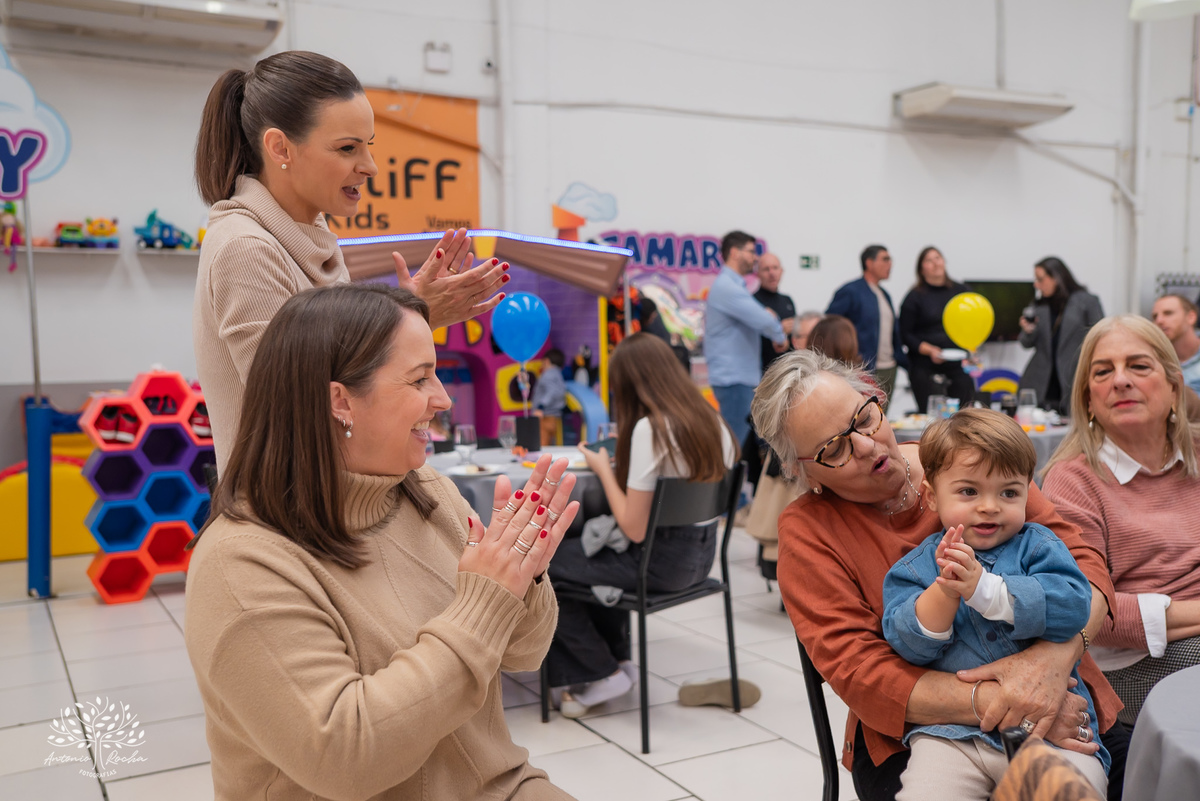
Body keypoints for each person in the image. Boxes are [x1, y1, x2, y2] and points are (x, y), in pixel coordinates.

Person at [185, 283, 582, 800]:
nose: (442, 399)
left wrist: (519, 581)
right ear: (340, 401)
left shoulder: (427, 492)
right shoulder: (240, 563)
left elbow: (526, 652)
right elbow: (345, 758)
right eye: (420, 379)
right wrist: (482, 606)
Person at [750, 349, 1126, 801]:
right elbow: (864, 673)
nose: (867, 445)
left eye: (864, 418)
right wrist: (1006, 701)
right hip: (924, 730)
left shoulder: (966, 458)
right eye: (834, 448)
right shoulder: (809, 531)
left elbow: (1085, 569)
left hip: (1059, 695)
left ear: (876, 398)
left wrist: (1049, 664)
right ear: (802, 471)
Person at [193, 50, 509, 471]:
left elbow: (340, 372)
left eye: (369, 147)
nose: (371, 167)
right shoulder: (246, 248)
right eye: (347, 148)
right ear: (280, 147)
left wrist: (410, 318)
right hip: (290, 518)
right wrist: (407, 322)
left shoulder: (313, 241)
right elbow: (308, 408)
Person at [883, 409, 1109, 799]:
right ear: (933, 496)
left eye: (1008, 492)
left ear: (1028, 490)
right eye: (969, 491)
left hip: (1049, 729)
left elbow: (1074, 606)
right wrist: (946, 592)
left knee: (1071, 791)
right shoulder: (915, 569)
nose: (990, 506)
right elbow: (908, 644)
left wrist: (988, 592)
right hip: (952, 738)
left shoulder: (1040, 546)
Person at [547, 333, 740, 717]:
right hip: (701, 562)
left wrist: (603, 468)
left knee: (544, 564)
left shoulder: (650, 430)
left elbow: (634, 530)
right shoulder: (713, 420)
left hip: (658, 564)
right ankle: (619, 662)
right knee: (594, 557)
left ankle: (601, 670)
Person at [1042, 315, 1200, 726]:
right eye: (1103, 371)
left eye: (1139, 366)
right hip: (1133, 661)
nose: (1121, 380)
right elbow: (1086, 609)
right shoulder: (1072, 482)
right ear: (1088, 399)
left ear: (1173, 386)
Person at [703, 230, 786, 444]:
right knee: (733, 446)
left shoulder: (732, 286)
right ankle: (725, 479)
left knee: (736, 443)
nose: (755, 257)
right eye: (751, 251)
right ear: (734, 253)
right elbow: (764, 321)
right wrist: (779, 334)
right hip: (734, 379)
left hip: (737, 379)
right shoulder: (727, 287)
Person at [1018, 257, 1104, 415]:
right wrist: (1028, 330)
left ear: (1056, 277)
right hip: (1041, 379)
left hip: (1073, 375)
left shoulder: (1086, 302)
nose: (1036, 285)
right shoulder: (1038, 305)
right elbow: (1026, 343)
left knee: (1074, 425)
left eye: (1040, 279)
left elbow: (1100, 337)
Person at [826, 244, 907, 403]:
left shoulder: (884, 294)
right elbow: (830, 325)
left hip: (888, 368)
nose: (890, 264)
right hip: (864, 369)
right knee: (866, 418)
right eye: (885, 259)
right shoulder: (851, 291)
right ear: (869, 263)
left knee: (882, 419)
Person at [899, 246, 975, 413]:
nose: (935, 263)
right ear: (921, 269)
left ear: (944, 262)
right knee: (931, 416)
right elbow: (905, 334)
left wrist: (972, 348)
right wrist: (930, 351)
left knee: (965, 412)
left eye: (937, 258)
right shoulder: (914, 297)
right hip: (924, 364)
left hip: (957, 363)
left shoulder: (961, 291)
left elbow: (973, 323)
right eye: (928, 260)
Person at [754, 252, 797, 371]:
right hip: (763, 371)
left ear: (781, 271)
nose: (772, 273)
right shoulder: (753, 302)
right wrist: (778, 329)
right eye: (766, 269)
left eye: (775, 268)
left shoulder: (787, 300)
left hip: (787, 370)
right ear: (757, 274)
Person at [1150, 293, 1200, 393]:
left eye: (1168, 313)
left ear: (1191, 317)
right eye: (1155, 316)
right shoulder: (1153, 360)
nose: (1159, 320)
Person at [531, 348, 566, 446]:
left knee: (542, 443)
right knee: (550, 443)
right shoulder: (558, 374)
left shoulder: (548, 374)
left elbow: (551, 392)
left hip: (545, 415)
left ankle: (543, 460)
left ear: (546, 361)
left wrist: (540, 407)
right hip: (554, 415)